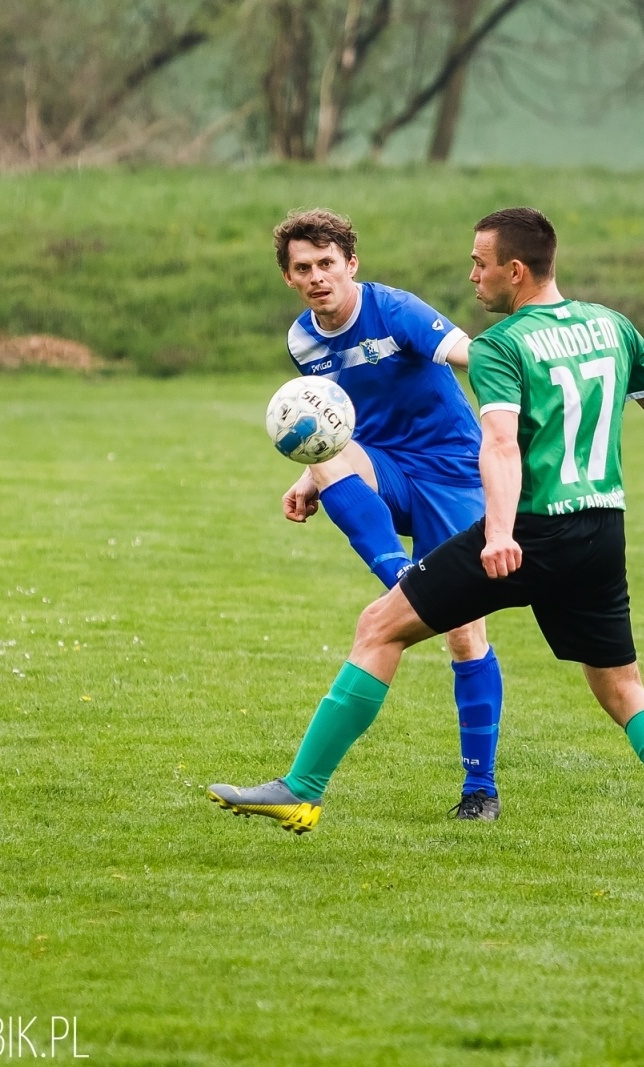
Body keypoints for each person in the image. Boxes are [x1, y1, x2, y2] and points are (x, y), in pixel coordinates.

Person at [210, 206, 644, 865]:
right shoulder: (613, 325)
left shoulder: (501, 345)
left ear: (515, 270)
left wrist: (499, 532)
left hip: (527, 527)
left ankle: (302, 789)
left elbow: (498, 442)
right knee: (622, 686)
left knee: (381, 627)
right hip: (601, 529)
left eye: (480, 263)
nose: (472, 276)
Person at [209, 208, 505, 827]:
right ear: (289, 278)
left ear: (351, 265)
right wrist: (309, 469)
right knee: (318, 449)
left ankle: (481, 788)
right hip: (391, 469)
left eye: (326, 264)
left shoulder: (394, 309)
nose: (317, 277)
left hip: (455, 474)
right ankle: (399, 573)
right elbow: (339, 419)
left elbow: (464, 351)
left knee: (464, 634)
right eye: (302, 268)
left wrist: (519, 394)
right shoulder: (302, 341)